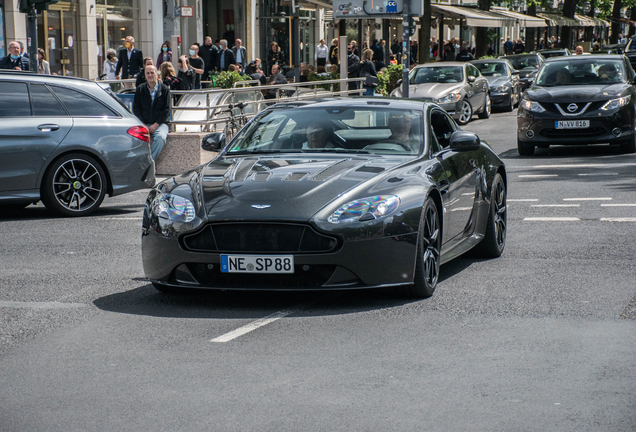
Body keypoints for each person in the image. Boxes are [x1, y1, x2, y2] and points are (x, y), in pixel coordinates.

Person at [132, 65, 170, 160]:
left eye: (152, 72)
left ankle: (149, 163)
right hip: (143, 123)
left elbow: (166, 110)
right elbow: (136, 109)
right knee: (133, 138)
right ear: (145, 75)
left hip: (160, 124)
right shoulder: (140, 89)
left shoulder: (165, 90)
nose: (150, 75)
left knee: (161, 138)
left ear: (157, 74)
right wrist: (143, 124)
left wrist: (155, 125)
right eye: (147, 73)